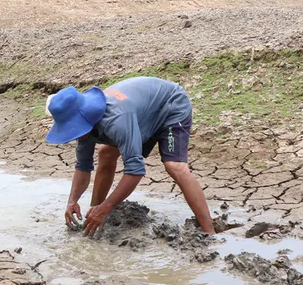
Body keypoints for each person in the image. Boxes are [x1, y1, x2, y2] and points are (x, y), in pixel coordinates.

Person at [45, 77, 215, 236]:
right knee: (106, 152)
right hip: (141, 114)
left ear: (85, 117)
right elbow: (83, 166)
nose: (73, 134)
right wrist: (72, 201)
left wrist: (107, 208)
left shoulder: (116, 120)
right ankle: (94, 214)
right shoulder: (84, 128)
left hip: (171, 106)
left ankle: (210, 233)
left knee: (175, 166)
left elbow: (135, 171)